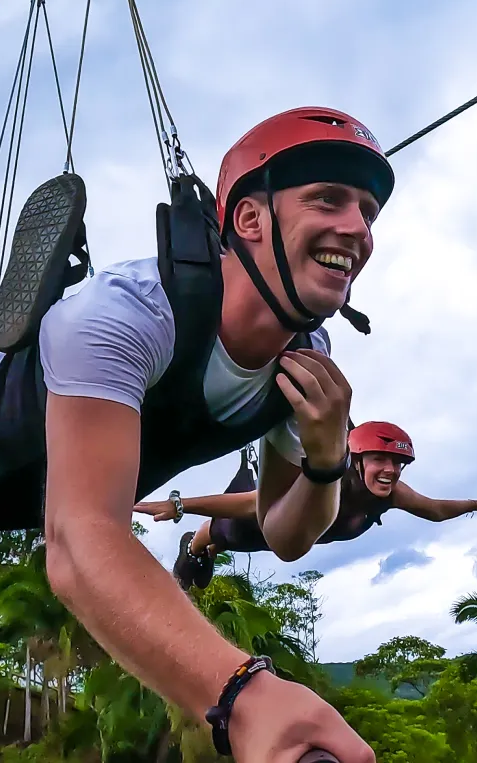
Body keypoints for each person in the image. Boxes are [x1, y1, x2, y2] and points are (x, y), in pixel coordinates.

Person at [27, 107, 395, 762]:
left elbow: (283, 533)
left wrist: (326, 457)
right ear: (250, 220)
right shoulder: (125, 312)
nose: (358, 229)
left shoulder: (305, 361)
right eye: (329, 199)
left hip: (54, 479)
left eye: (367, 211)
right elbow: (77, 540)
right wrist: (244, 699)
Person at [133, 422, 477, 592]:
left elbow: (434, 509)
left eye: (397, 464)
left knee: (260, 539)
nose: (390, 471)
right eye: (381, 461)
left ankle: (208, 546)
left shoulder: (391, 492)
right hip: (269, 508)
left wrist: (474, 504)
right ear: (358, 460)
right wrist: (179, 504)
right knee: (226, 532)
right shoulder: (324, 480)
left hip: (300, 536)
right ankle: (196, 547)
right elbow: (251, 503)